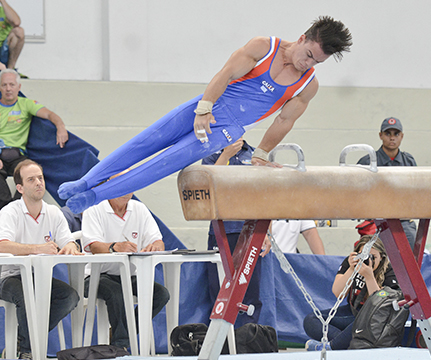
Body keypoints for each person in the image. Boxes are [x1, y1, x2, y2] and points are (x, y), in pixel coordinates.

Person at [58, 16, 352, 214]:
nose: (307, 63)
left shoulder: (307, 85)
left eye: (317, 62)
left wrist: (261, 153)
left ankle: (93, 197)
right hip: (206, 105)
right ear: (302, 38)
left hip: (226, 128)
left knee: (163, 163)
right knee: (143, 144)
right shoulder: (264, 47)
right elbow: (225, 74)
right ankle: (86, 181)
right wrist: (204, 108)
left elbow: (284, 121)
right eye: (309, 54)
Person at [0, 159, 81, 359]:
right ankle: (27, 351)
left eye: (40, 178)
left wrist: (70, 245)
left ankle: (23, 339)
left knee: (70, 297)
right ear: (20, 187)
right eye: (31, 179)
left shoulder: (53, 212)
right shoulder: (10, 211)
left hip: (37, 276)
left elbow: (69, 241)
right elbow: (1, 245)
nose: (38, 183)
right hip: (9, 277)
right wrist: (37, 248)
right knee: (27, 295)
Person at [81, 192, 170, 351]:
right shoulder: (94, 209)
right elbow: (94, 246)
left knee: (161, 294)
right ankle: (120, 346)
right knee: (117, 292)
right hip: (96, 276)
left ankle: (121, 336)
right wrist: (113, 247)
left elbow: (157, 240)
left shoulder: (139, 209)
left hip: (130, 275)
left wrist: (156, 245)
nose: (126, 190)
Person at [0, 69, 68, 212]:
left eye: (12, 85)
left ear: (19, 87)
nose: (8, 89)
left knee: (31, 174)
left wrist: (61, 127)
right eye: (4, 85)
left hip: (16, 156)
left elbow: (50, 114)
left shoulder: (26, 104)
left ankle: (16, 211)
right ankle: (5, 214)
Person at [203, 137, 269, 326]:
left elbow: (266, 195)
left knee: (250, 289)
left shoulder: (255, 154)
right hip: (222, 230)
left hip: (252, 231)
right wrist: (226, 155)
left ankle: (248, 337)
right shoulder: (211, 155)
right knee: (219, 289)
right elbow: (209, 183)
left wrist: (267, 233)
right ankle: (221, 340)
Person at [303, 235, 398, 350]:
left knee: (362, 325)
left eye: (372, 257)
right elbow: (338, 293)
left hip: (373, 318)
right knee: (311, 320)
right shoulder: (351, 262)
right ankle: (345, 344)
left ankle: (332, 347)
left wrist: (369, 277)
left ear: (382, 257)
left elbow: (379, 307)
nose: (368, 260)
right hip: (352, 312)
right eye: (363, 255)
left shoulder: (389, 270)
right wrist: (351, 269)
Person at [357, 117, 417, 247]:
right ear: (380, 135)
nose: (392, 138)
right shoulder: (367, 162)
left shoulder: (409, 162)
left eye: (396, 134)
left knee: (411, 251)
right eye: (387, 134)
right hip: (375, 220)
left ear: (402, 136)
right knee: (373, 256)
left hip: (403, 220)